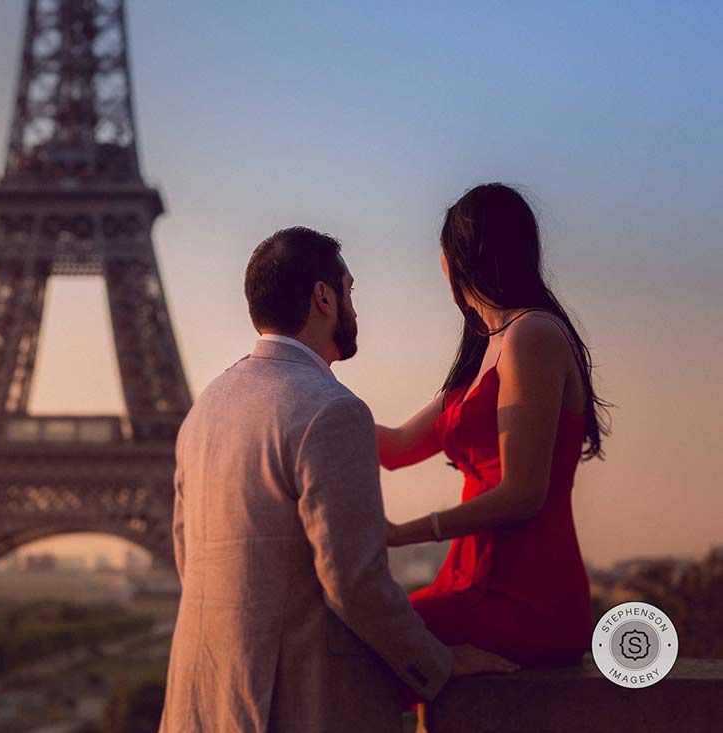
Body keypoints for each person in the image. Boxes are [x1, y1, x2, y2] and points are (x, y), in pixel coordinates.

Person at [159, 226, 518, 733]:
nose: (354, 307)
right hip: (296, 706)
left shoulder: (207, 409)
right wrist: (436, 664)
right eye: (349, 291)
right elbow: (354, 581)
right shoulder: (333, 412)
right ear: (323, 297)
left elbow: (187, 555)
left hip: (204, 702)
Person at [375, 183, 612, 711]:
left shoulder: (533, 337)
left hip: (524, 596)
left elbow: (524, 493)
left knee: (363, 642)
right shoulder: (490, 348)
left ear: (458, 256)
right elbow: (390, 448)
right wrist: (305, 379)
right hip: (473, 583)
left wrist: (402, 534)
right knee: (364, 635)